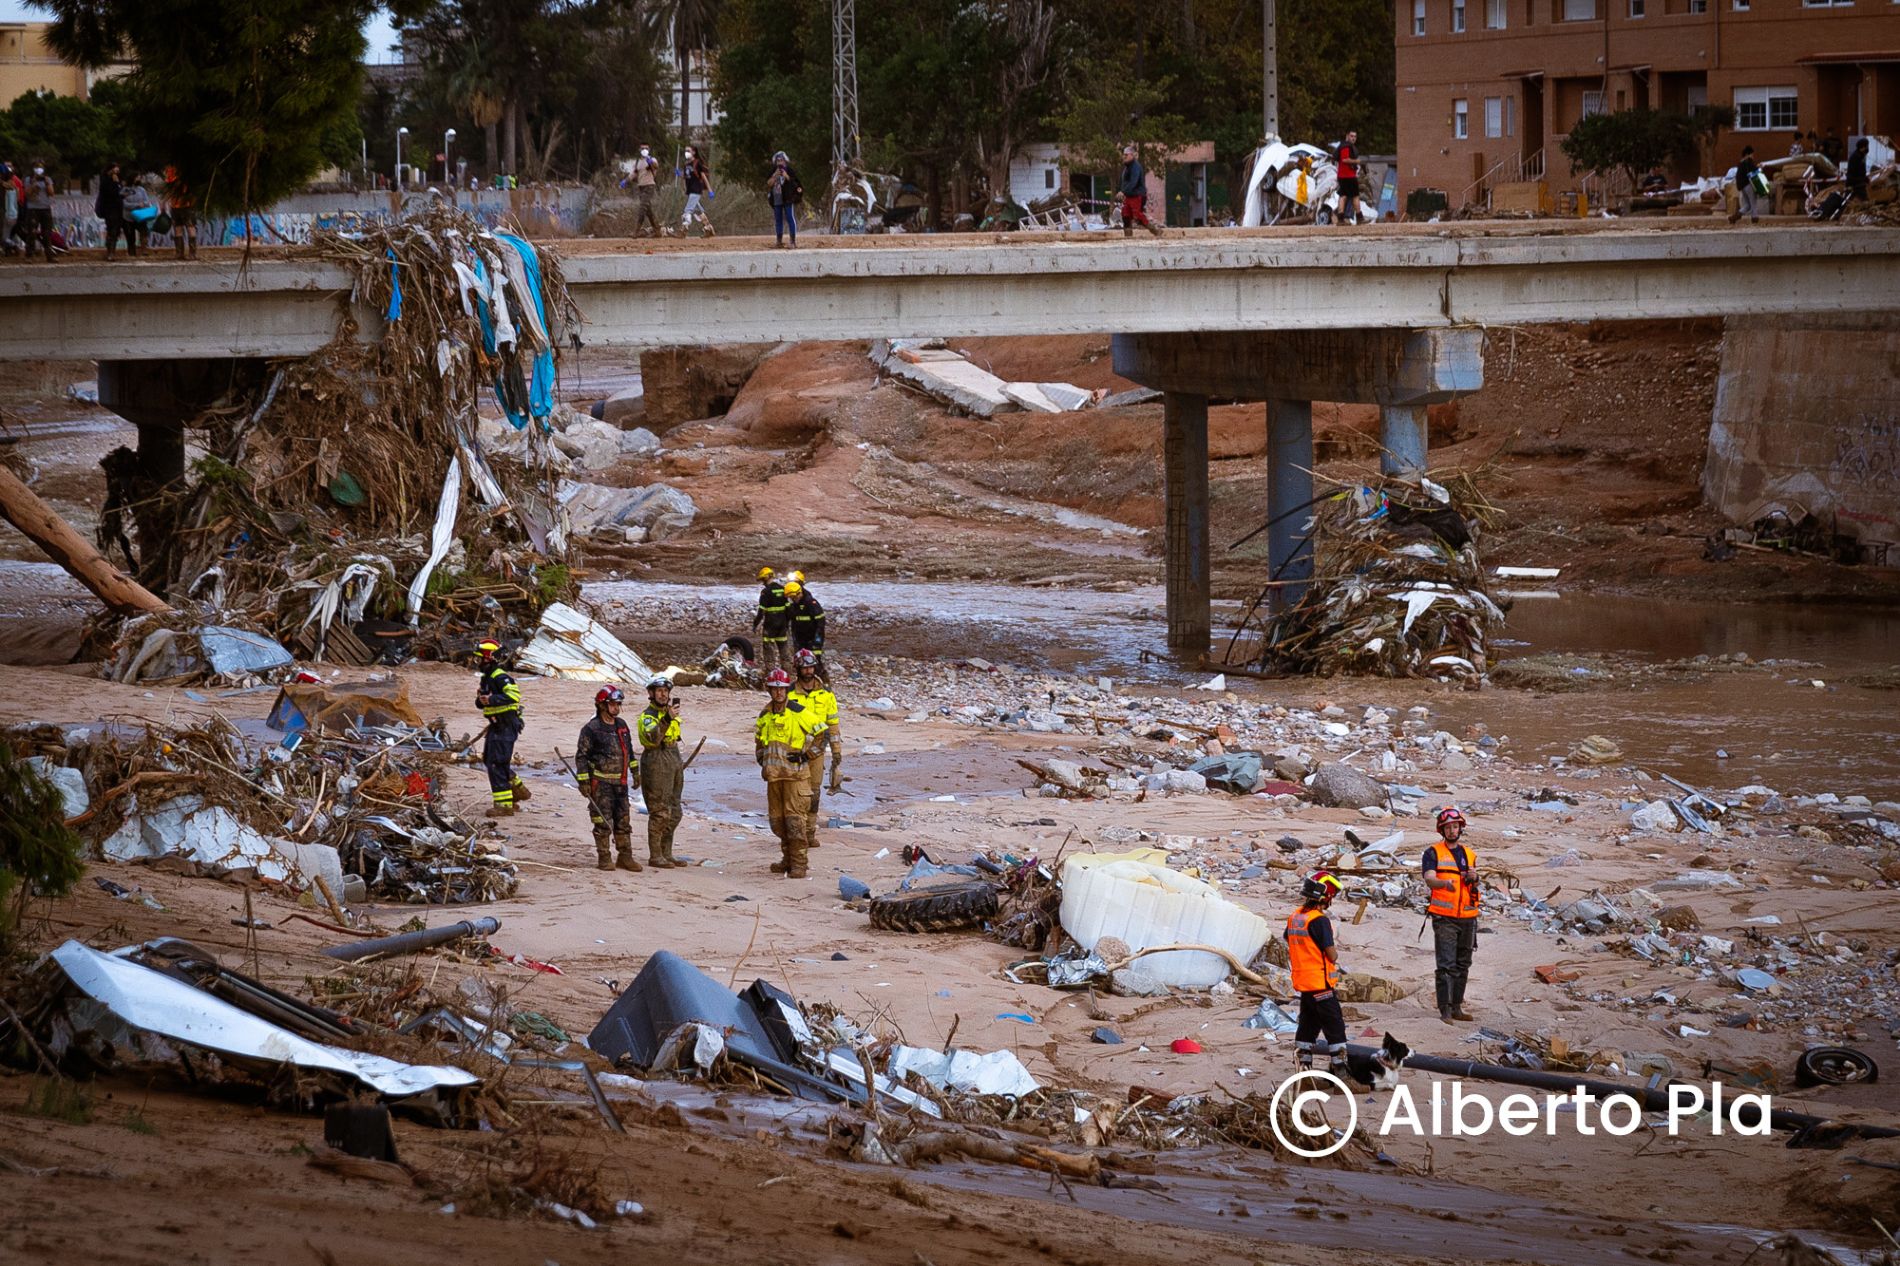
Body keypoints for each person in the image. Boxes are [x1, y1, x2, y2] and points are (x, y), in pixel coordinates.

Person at [755, 668, 828, 878]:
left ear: (787, 689)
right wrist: (762, 759)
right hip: (774, 777)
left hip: (795, 777)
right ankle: (786, 860)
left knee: (795, 822)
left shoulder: (798, 711)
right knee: (778, 822)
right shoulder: (765, 714)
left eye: (782, 689)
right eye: (775, 689)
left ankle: (799, 864)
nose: (779, 693)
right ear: (769, 689)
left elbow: (821, 733)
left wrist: (807, 756)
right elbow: (759, 739)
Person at [1286, 870, 1348, 1078]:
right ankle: (1340, 1071)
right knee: (1335, 1026)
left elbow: (1292, 941)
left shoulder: (1295, 917)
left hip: (1303, 983)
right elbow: (1331, 955)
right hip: (1320, 983)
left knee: (1307, 1025)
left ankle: (1303, 1069)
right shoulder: (1319, 920)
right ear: (1326, 896)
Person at [1423, 806, 1480, 1023]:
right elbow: (1429, 878)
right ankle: (1445, 1010)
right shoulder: (1432, 853)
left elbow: (1475, 883)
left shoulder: (1469, 854)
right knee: (1446, 964)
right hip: (1444, 917)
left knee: (1463, 963)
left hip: (1468, 917)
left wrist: (1474, 878)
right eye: (1448, 827)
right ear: (1442, 830)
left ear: (1460, 828)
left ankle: (1457, 1007)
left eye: (1455, 826)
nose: (1452, 830)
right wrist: (1443, 883)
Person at [576, 685, 640, 872]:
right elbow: (582, 756)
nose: (616, 708)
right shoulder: (592, 729)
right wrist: (584, 782)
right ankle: (604, 857)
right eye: (613, 704)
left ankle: (625, 857)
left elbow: (629, 751)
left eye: (618, 704)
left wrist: (635, 772)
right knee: (602, 821)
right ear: (602, 705)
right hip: (601, 784)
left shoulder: (622, 726)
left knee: (623, 820)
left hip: (620, 784)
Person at [789, 649, 841, 848]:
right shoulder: (789, 693)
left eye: (810, 667)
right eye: (804, 667)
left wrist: (837, 753)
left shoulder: (826, 694)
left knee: (814, 792)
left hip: (818, 750)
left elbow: (833, 724)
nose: (808, 671)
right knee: (795, 793)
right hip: (794, 752)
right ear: (798, 669)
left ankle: (809, 832)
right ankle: (797, 833)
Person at [475, 639, 531, 817]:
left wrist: (491, 700)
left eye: (480, 659)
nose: (477, 662)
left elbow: (514, 696)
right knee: (489, 760)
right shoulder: (487, 678)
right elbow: (481, 703)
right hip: (496, 725)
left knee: (497, 762)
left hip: (506, 725)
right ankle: (516, 788)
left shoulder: (500, 676)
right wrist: (482, 700)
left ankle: (504, 805)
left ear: (489, 659)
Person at [637, 676, 688, 870]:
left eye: (666, 691)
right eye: (659, 691)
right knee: (659, 811)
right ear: (651, 694)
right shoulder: (647, 717)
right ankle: (655, 855)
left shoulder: (671, 714)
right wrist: (667, 719)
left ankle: (667, 853)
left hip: (673, 758)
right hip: (656, 760)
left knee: (675, 811)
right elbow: (651, 739)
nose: (663, 694)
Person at [785, 579, 828, 683]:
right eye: (791, 598)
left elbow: (820, 623)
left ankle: (824, 683)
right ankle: (803, 684)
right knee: (800, 664)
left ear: (799, 593)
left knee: (815, 663)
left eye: (794, 597)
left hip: (813, 639)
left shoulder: (811, 603)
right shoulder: (794, 605)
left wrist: (817, 641)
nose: (793, 599)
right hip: (800, 639)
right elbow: (793, 621)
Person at [1117, 144, 1162, 239]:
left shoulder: (1135, 167)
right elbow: (1124, 183)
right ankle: (1128, 237)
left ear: (1132, 155)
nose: (1124, 157)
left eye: (1126, 155)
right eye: (1123, 155)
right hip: (1128, 196)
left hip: (1137, 195)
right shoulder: (1126, 168)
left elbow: (1134, 182)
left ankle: (1156, 230)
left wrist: (1123, 191)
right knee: (1125, 215)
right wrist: (1122, 191)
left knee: (1137, 215)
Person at [751, 566, 791, 673]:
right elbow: (788, 609)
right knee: (783, 647)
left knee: (768, 648)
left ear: (766, 578)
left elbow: (761, 611)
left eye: (763, 580)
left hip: (770, 624)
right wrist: (787, 623)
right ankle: (787, 671)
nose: (762, 583)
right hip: (782, 624)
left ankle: (770, 672)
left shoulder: (765, 592)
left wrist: (756, 624)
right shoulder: (783, 589)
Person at [767, 151, 802, 248]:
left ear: (785, 161)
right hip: (777, 197)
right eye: (778, 160)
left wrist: (786, 176)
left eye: (781, 160)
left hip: (787, 197)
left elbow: (795, 183)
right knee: (778, 219)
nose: (780, 162)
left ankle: (793, 241)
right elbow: (769, 183)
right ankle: (779, 240)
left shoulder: (789, 170)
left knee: (790, 218)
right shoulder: (774, 170)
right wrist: (775, 176)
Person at [96, 163, 131, 260]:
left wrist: (123, 192)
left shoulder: (118, 181)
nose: (116, 172)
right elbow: (111, 194)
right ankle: (110, 253)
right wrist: (116, 184)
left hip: (118, 208)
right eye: (115, 170)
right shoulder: (105, 181)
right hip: (109, 209)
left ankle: (112, 251)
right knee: (112, 230)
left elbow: (119, 193)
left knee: (115, 231)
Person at [21, 161, 55, 261]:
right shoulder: (29, 179)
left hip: (45, 208)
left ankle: (49, 255)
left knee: (47, 233)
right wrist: (33, 184)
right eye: (37, 167)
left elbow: (51, 192)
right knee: (31, 232)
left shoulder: (47, 179)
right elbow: (27, 194)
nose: (38, 169)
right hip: (33, 208)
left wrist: (46, 183)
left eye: (40, 167)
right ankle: (30, 255)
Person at [163, 165, 198, 259]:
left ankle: (192, 253)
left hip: (186, 206)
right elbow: (168, 188)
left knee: (190, 227)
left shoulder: (184, 176)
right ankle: (180, 253)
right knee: (178, 229)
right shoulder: (170, 170)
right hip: (175, 206)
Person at [680, 146, 715, 237]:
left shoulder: (697, 163)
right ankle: (708, 228)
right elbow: (685, 177)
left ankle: (684, 228)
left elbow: (703, 177)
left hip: (696, 190)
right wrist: (679, 174)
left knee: (688, 210)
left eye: (688, 151)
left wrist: (710, 190)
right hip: (690, 190)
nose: (686, 152)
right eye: (685, 151)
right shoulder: (686, 164)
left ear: (694, 152)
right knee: (697, 211)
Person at [629, 144, 662, 238]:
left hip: (649, 186)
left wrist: (650, 161)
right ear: (639, 149)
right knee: (648, 211)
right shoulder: (637, 162)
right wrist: (626, 181)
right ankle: (657, 230)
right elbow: (634, 174)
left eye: (646, 148)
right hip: (641, 187)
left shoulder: (652, 159)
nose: (644, 150)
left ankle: (636, 231)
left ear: (649, 149)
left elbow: (656, 166)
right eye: (642, 148)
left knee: (642, 208)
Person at [1335, 130, 1362, 225]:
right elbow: (1345, 159)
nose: (1353, 138)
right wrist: (1356, 161)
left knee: (1348, 196)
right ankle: (1356, 218)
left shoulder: (1347, 146)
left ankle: (1344, 218)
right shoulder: (1346, 146)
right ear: (1347, 136)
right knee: (1350, 196)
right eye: (1351, 136)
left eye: (1355, 136)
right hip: (1347, 176)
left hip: (1346, 176)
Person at [1731, 146, 1762, 224]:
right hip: (1748, 185)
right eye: (1752, 154)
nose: (1753, 156)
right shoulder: (1748, 162)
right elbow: (1754, 172)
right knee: (1753, 203)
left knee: (1747, 205)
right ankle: (1755, 219)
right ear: (1748, 154)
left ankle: (1734, 217)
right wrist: (1760, 168)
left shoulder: (1741, 163)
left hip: (1742, 186)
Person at [1845, 138, 1871, 205]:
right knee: (1864, 201)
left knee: (1848, 200)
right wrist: (1863, 179)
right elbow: (1855, 171)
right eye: (1866, 146)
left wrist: (1865, 178)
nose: (1867, 148)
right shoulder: (1856, 157)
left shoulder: (1860, 156)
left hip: (1857, 182)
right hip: (1855, 183)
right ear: (1862, 147)